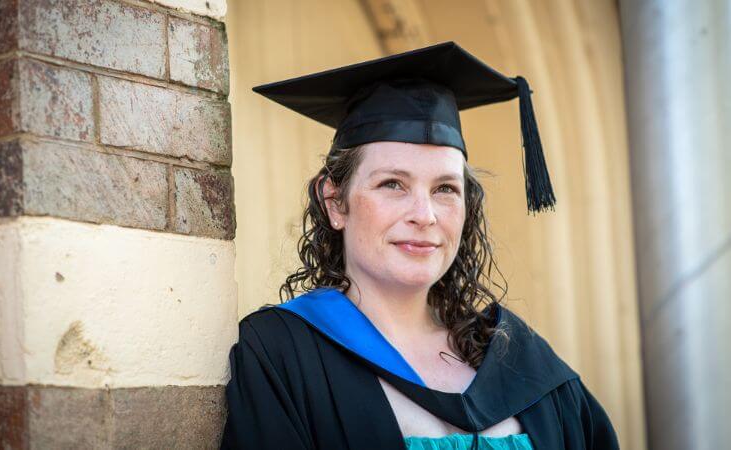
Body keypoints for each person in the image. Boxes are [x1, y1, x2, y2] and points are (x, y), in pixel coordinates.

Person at [221, 42, 619, 450]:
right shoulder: (282, 356)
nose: (424, 214)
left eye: (445, 188)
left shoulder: (521, 360)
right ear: (334, 202)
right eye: (393, 184)